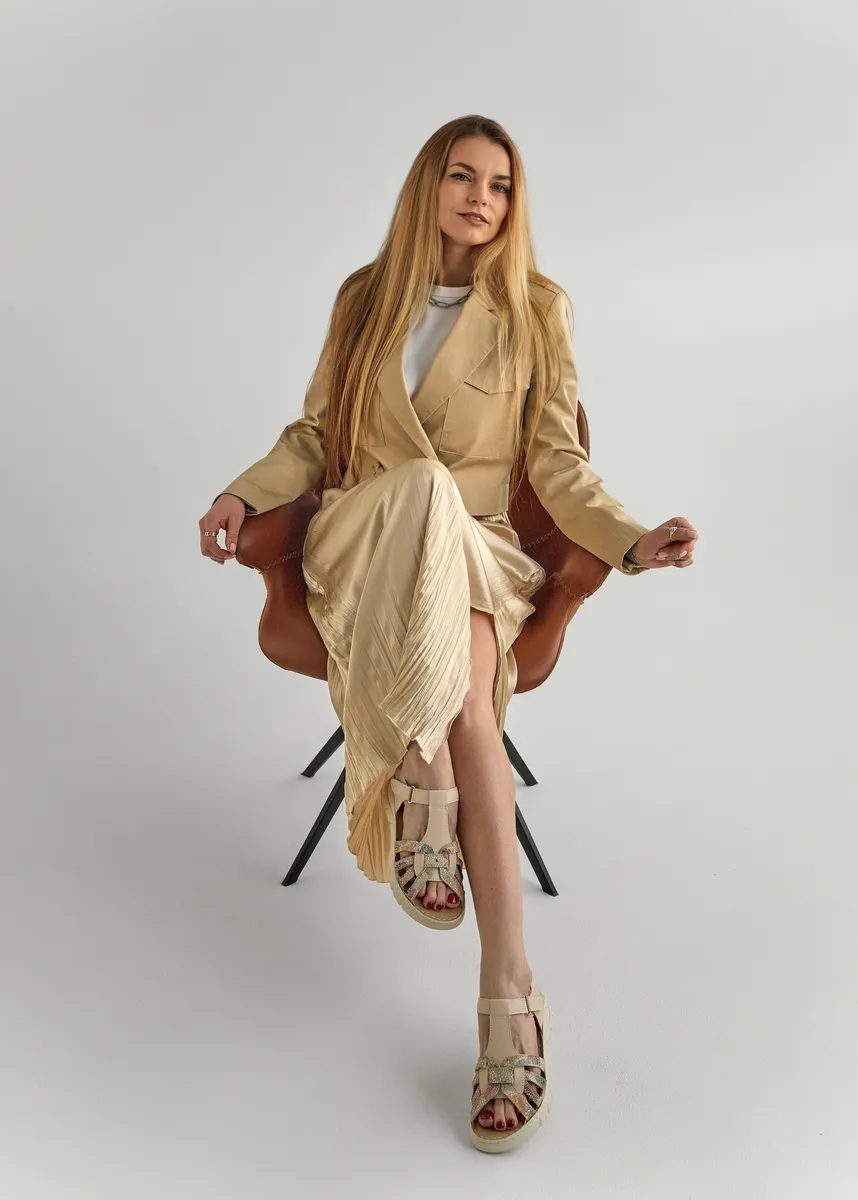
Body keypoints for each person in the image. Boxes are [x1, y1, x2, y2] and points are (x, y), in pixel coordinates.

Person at [197, 114, 699, 1153]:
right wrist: (243, 494)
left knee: (471, 696)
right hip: (362, 551)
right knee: (422, 485)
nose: (482, 198)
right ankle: (433, 804)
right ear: (429, 185)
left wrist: (633, 539)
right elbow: (315, 436)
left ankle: (506, 984)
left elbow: (556, 465)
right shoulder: (364, 298)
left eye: (501, 185)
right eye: (463, 176)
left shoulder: (537, 311)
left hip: (479, 560)